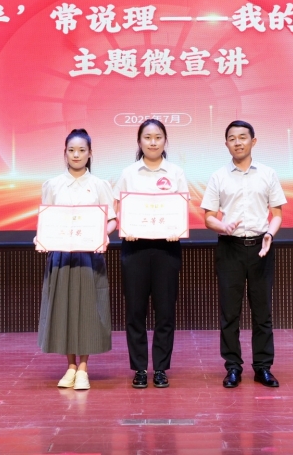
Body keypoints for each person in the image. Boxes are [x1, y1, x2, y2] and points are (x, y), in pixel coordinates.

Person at [201, 120, 286, 388]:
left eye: (242, 137)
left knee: (262, 312)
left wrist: (270, 233)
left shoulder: (268, 174)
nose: (237, 142)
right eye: (232, 138)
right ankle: (233, 367)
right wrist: (222, 226)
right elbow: (208, 217)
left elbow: (277, 213)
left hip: (262, 247)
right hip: (230, 248)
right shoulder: (218, 176)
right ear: (226, 144)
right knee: (230, 313)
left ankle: (263, 367)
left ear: (253, 141)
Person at [37, 129, 118, 391]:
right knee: (64, 308)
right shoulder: (52, 185)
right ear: (65, 153)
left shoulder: (100, 185)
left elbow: (112, 220)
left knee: (88, 309)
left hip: (89, 256)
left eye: (82, 150)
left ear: (90, 153)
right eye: (71, 150)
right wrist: (41, 238)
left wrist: (102, 235)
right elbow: (46, 220)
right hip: (61, 257)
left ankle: (83, 367)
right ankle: (70, 366)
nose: (76, 155)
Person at [114, 119, 189, 389]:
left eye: (158, 137)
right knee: (135, 312)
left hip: (167, 248)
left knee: (165, 311)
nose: (153, 142)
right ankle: (139, 368)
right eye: (147, 137)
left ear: (165, 141)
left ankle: (160, 368)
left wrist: (177, 228)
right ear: (139, 141)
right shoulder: (128, 173)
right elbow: (118, 208)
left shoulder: (176, 172)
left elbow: (181, 207)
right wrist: (126, 226)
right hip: (135, 248)